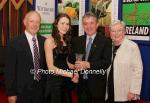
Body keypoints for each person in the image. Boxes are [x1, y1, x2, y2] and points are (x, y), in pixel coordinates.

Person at [69, 12, 112, 103]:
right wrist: (75, 71)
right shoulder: (77, 41)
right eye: (85, 24)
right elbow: (73, 59)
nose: (89, 26)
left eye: (91, 23)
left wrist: (88, 64)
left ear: (97, 24)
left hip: (98, 86)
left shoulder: (105, 41)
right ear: (83, 26)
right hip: (81, 85)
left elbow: (106, 62)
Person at [5, 11, 47, 103]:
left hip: (41, 91)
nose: (35, 24)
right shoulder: (13, 43)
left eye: (37, 22)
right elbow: (9, 71)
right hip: (22, 92)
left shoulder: (44, 42)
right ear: (25, 22)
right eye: (32, 21)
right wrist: (11, 93)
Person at [44, 13, 78, 103]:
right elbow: (51, 68)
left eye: (67, 24)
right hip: (55, 83)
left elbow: (64, 62)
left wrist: (76, 67)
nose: (65, 26)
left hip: (65, 81)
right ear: (56, 24)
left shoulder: (66, 40)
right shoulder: (49, 41)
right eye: (62, 23)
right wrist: (71, 74)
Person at [107, 20, 143, 103]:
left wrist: (133, 91)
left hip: (125, 93)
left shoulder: (132, 46)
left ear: (124, 32)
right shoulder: (107, 46)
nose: (116, 34)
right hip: (109, 90)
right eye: (113, 31)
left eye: (119, 30)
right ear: (110, 33)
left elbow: (138, 70)